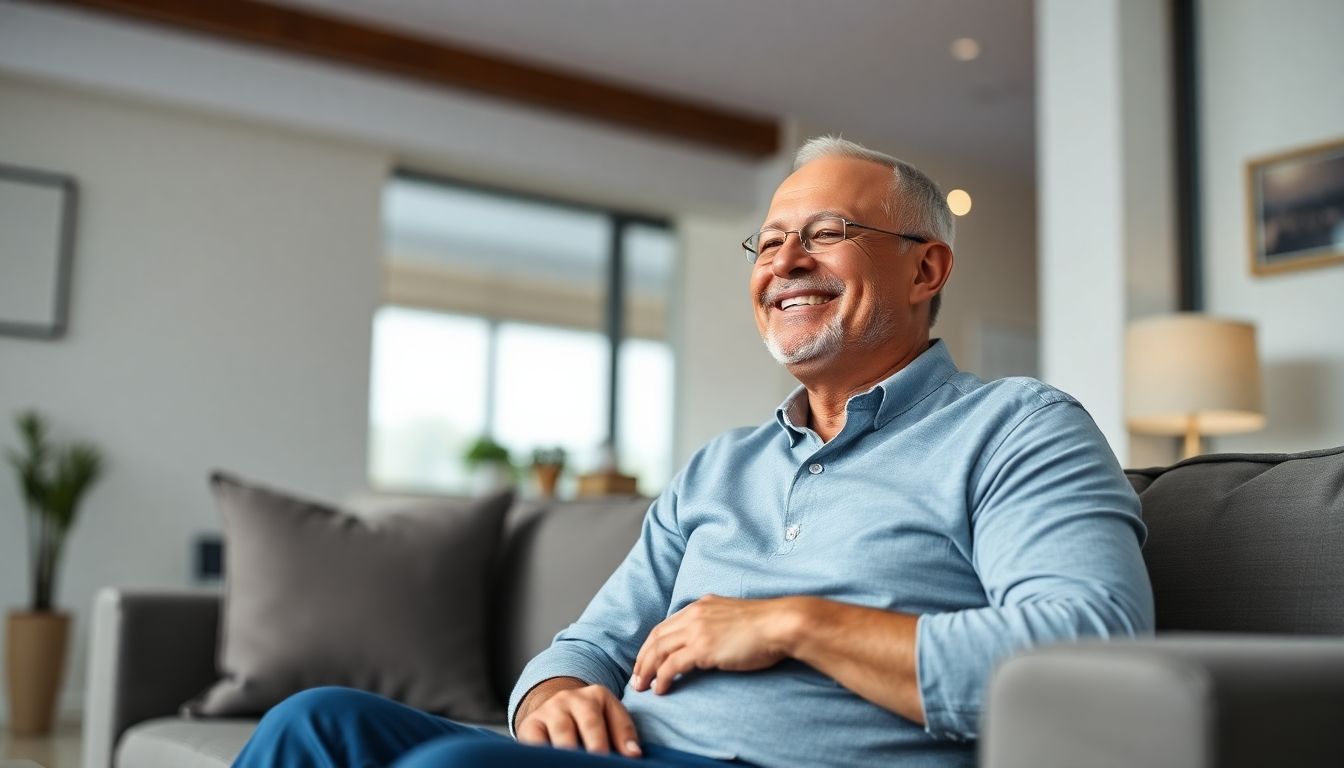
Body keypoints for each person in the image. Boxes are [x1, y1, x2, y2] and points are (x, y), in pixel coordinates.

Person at [233, 137, 1153, 768]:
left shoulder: (1019, 427)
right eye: (772, 240)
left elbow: (1088, 648)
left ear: (925, 270)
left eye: (828, 233)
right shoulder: (722, 466)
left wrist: (793, 622)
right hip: (642, 749)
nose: (785, 261)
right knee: (314, 723)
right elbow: (590, 642)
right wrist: (552, 690)